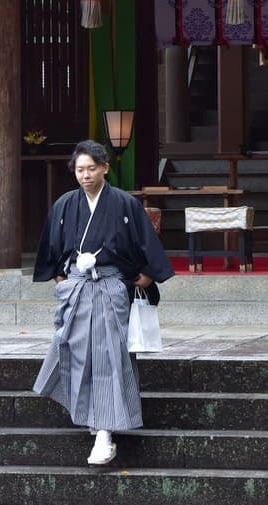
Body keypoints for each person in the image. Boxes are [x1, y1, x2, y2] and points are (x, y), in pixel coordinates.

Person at [32, 139, 174, 466]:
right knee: (73, 350)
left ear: (105, 168)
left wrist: (149, 275)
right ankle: (91, 415)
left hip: (111, 287)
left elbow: (146, 243)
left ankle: (104, 432)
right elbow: (52, 250)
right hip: (78, 289)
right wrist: (61, 279)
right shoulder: (66, 204)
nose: (85, 175)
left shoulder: (124, 203)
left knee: (109, 356)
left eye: (91, 168)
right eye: (80, 169)